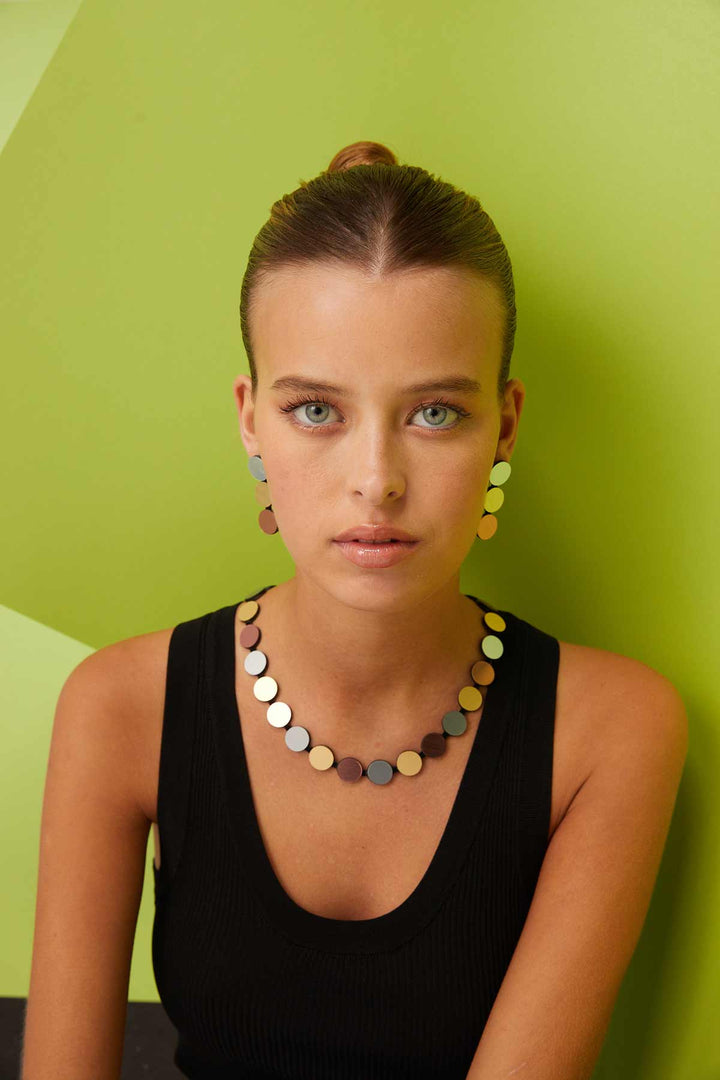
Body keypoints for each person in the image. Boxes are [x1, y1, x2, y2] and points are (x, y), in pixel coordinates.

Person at [21, 140, 688, 1080]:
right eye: (317, 411)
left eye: (435, 413)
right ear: (251, 418)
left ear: (506, 420)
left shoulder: (613, 729)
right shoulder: (120, 708)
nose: (375, 482)